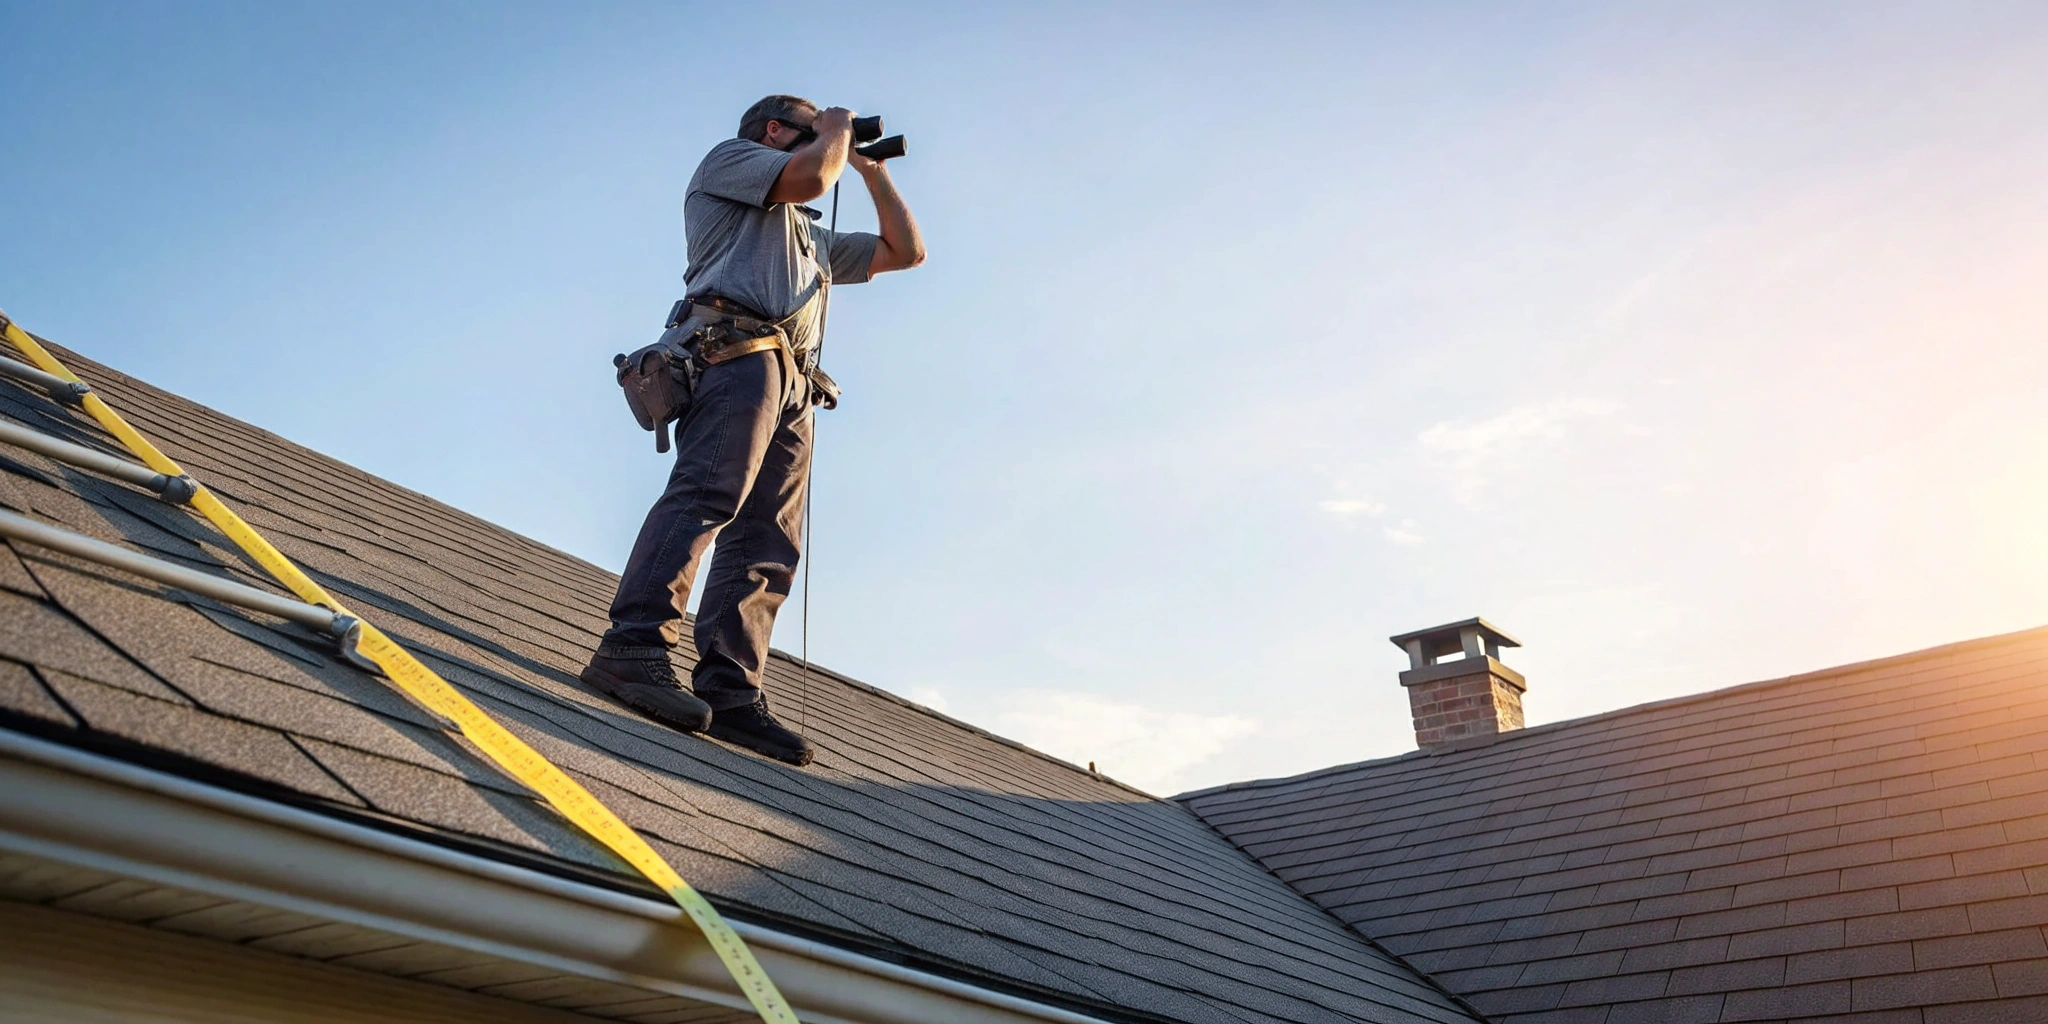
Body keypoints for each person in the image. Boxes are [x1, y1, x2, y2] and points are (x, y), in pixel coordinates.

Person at [582, 95, 925, 766]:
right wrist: (832, 131)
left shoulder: (807, 236)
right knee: (710, 494)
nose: (832, 140)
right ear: (776, 131)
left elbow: (905, 252)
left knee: (769, 540)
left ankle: (731, 689)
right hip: (733, 348)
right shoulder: (733, 163)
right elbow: (808, 177)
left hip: (793, 379)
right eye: (812, 130)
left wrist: (871, 169)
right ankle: (633, 648)